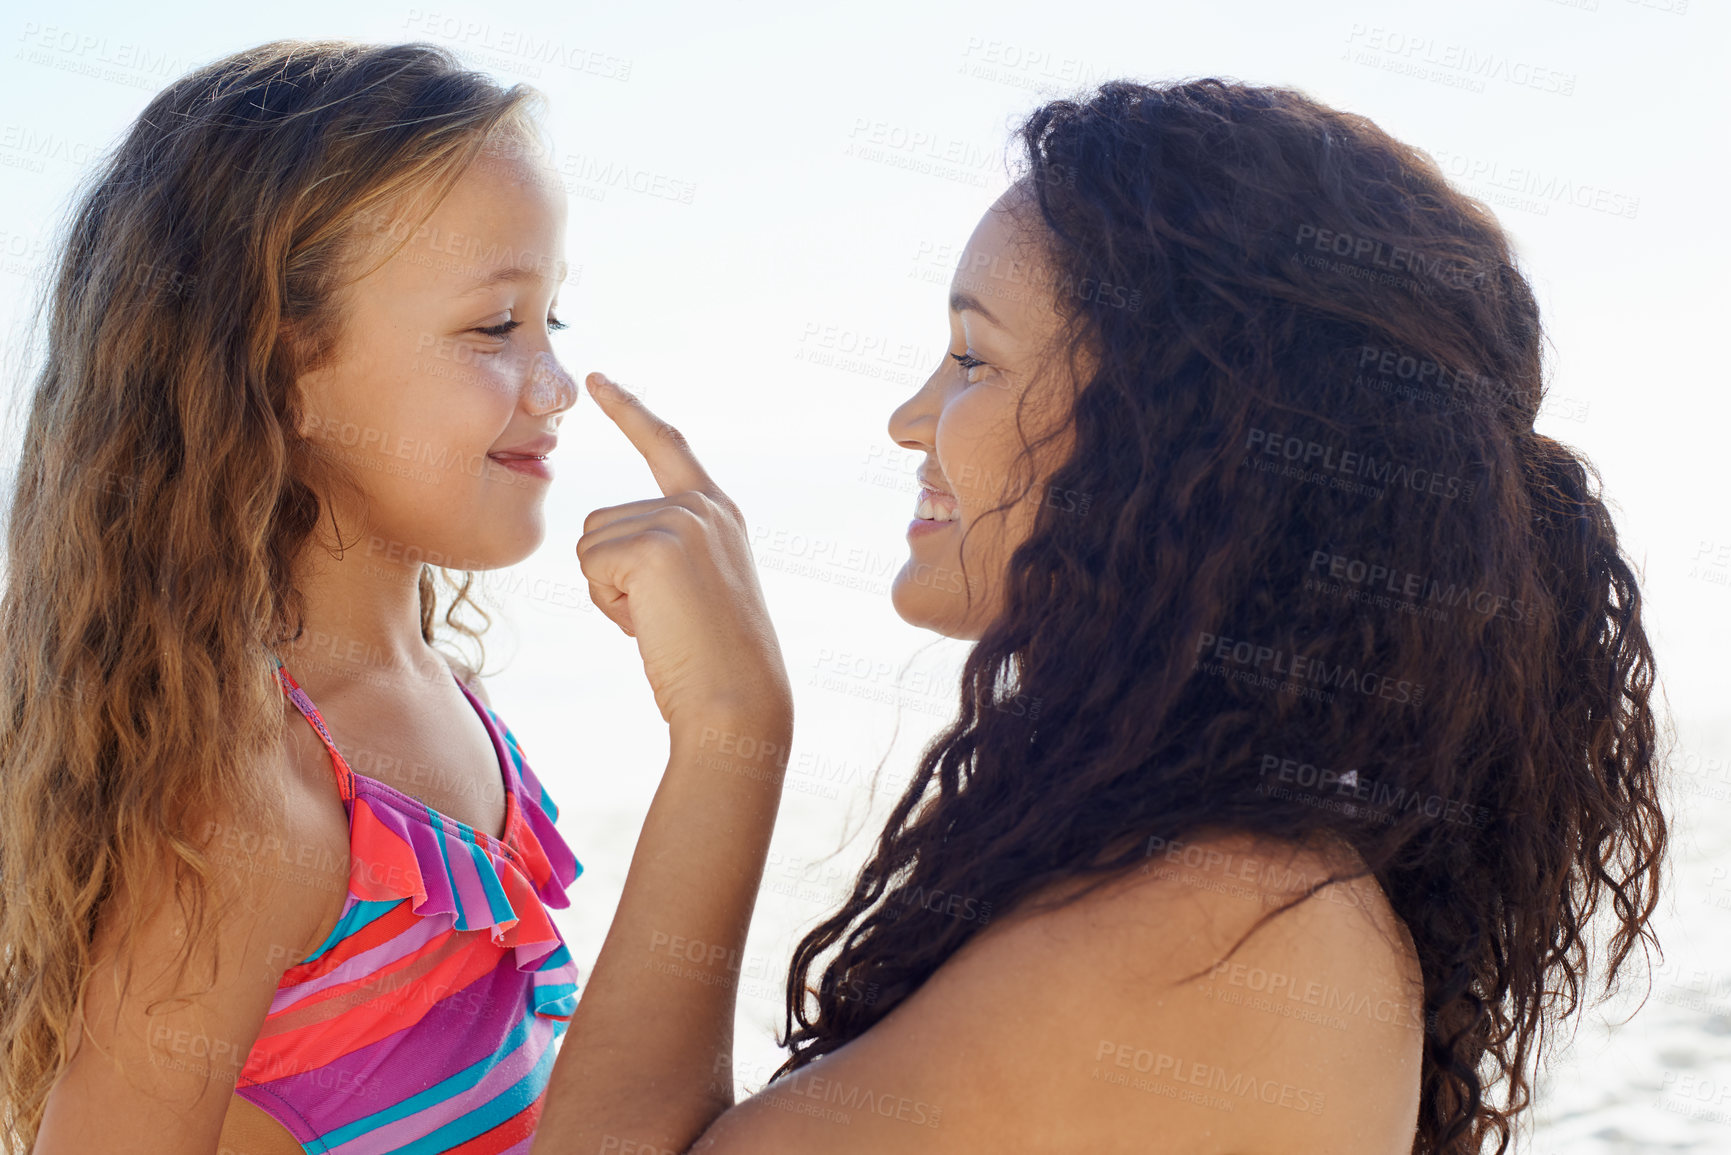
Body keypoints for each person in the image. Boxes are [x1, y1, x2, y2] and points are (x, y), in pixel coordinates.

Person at [527, 79, 1668, 1154]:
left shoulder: (1213, 923)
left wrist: (731, 728)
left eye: (973, 357)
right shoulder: (1232, 880)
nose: (908, 419)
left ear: (1173, 437)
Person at [3, 40, 592, 1153]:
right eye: (494, 326)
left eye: (552, 318)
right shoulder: (248, 800)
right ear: (284, 366)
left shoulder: (438, 690)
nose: (558, 385)